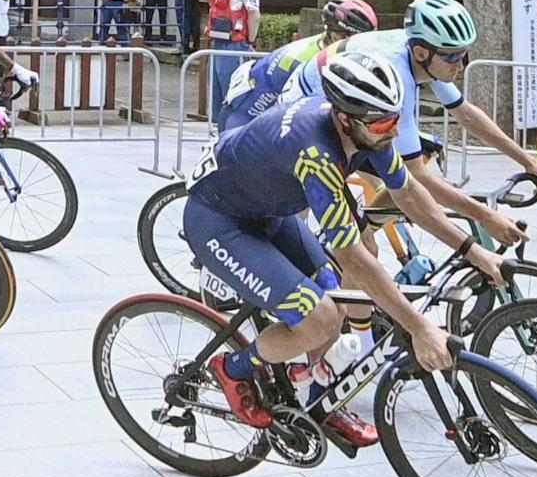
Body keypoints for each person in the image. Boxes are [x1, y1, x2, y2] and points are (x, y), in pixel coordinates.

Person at [179, 50, 467, 443]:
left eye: (396, 118)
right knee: (321, 318)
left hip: (266, 209)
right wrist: (418, 327)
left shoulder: (368, 126)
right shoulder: (317, 153)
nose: (394, 131)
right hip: (218, 221)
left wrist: (472, 248)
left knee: (336, 292)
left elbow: (410, 193)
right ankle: (234, 368)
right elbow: (357, 259)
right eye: (384, 122)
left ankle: (318, 397)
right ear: (345, 118)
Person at [225, 0, 537, 202]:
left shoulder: (423, 57)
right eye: (454, 57)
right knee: (357, 239)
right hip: (308, 107)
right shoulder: (398, 72)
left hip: (355, 108)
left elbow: (465, 114)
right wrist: (479, 211)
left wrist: (530, 162)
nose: (461, 65)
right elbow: (416, 175)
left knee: (404, 187)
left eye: (465, 55)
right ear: (423, 52)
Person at [199, 0, 258, 120]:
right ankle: (216, 134)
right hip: (217, 41)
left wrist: (249, 41)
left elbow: (254, 13)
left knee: (231, 96)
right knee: (216, 96)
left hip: (234, 44)